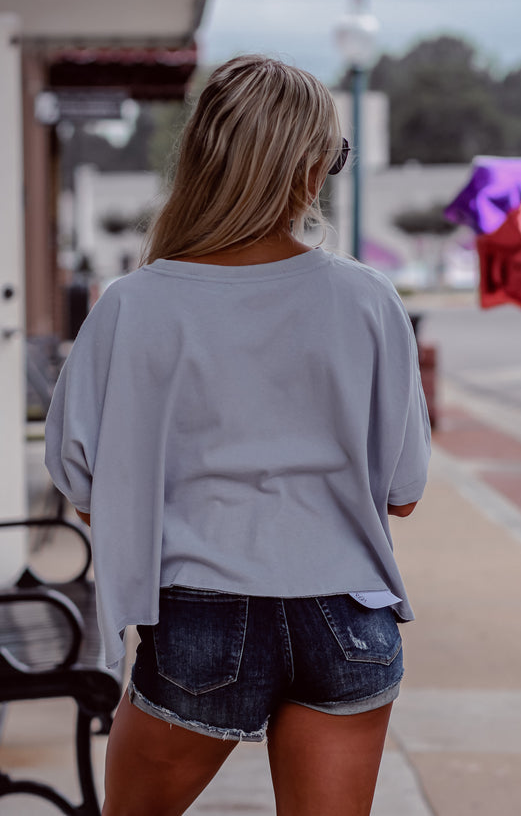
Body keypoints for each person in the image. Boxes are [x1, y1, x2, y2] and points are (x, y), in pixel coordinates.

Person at [45, 55, 431, 816]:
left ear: (201, 157)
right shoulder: (367, 301)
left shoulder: (133, 305)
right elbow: (404, 493)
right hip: (346, 615)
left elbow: (87, 491)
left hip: (200, 614)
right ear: (312, 166)